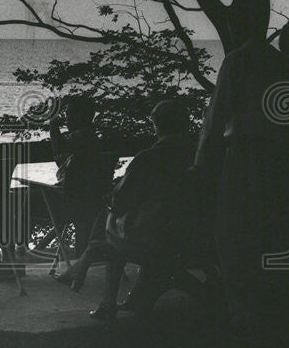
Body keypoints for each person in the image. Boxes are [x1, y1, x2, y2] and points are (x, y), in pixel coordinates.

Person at [194, 33, 289, 332]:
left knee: (233, 230)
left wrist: (201, 163)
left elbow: (216, 116)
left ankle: (241, 309)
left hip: (243, 154)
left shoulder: (236, 60)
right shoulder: (282, 63)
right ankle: (266, 306)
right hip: (279, 155)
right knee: (269, 229)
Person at [88, 100, 199, 320]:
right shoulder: (200, 155)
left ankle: (108, 302)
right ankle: (138, 294)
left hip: (157, 239)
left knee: (112, 219)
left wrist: (113, 199)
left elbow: (121, 201)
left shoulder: (148, 158)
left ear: (156, 126)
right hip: (198, 234)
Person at [43, 95, 113, 289]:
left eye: (69, 114)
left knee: (16, 200)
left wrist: (52, 124)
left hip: (69, 206)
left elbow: (58, 152)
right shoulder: (94, 139)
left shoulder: (78, 137)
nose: (67, 118)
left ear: (80, 116)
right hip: (93, 205)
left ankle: (14, 259)